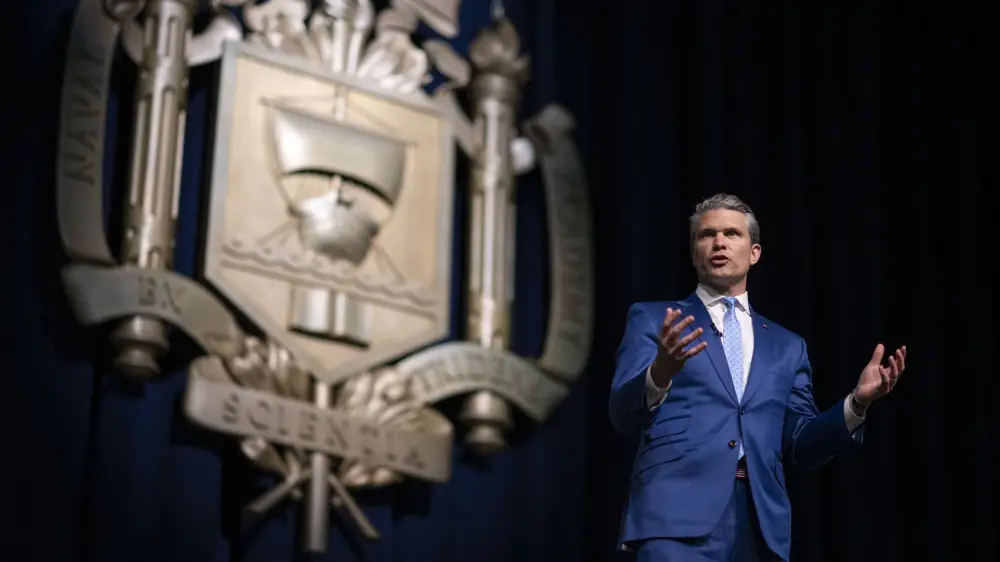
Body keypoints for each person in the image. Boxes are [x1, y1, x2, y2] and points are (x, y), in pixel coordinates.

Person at [609, 194, 906, 561]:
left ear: (754, 253)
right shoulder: (656, 319)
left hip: (760, 525)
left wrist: (856, 403)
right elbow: (622, 414)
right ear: (693, 252)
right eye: (707, 235)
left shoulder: (787, 346)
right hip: (674, 520)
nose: (719, 243)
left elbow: (802, 447)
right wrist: (660, 372)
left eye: (731, 233)